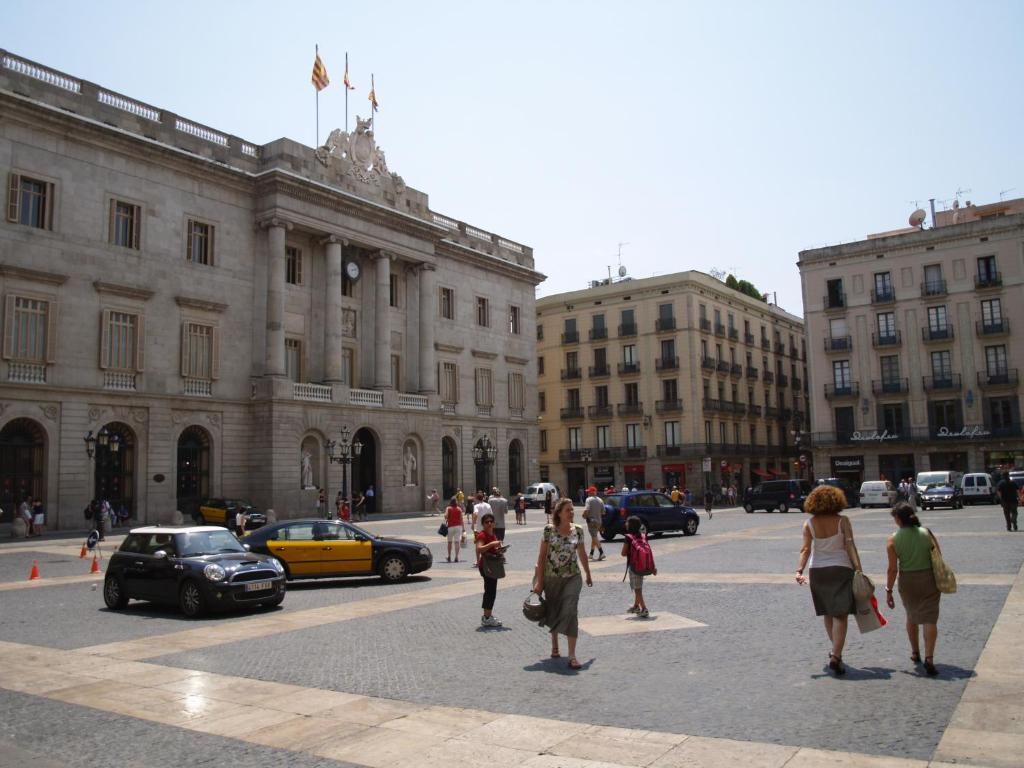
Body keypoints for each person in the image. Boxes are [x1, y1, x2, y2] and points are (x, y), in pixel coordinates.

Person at [795, 485, 858, 675]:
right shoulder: (843, 521)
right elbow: (850, 547)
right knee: (841, 614)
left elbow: (805, 549)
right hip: (841, 568)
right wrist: (859, 569)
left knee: (828, 612)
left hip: (818, 570)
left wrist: (799, 570)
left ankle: (835, 651)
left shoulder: (809, 523)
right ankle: (836, 655)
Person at [533, 498, 592, 669]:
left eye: (572, 510)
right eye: (568, 510)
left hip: (573, 577)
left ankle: (572, 655)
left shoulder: (579, 530)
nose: (572, 513)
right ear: (559, 513)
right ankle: (555, 645)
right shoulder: (549, 531)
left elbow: (582, 554)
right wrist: (539, 582)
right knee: (554, 610)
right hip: (552, 578)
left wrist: (588, 573)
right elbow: (541, 557)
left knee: (570, 611)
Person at [885, 502, 942, 676]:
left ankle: (915, 652)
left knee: (911, 615)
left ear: (898, 519)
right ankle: (929, 658)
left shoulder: (893, 539)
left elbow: (892, 569)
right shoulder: (927, 533)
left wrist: (889, 589)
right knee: (929, 618)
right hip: (928, 578)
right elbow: (938, 556)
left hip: (907, 580)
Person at [622, 515, 655, 617]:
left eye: (627, 522)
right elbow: (648, 551)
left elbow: (623, 553)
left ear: (630, 525)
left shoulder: (628, 537)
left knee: (637, 589)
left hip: (634, 566)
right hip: (644, 565)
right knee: (638, 586)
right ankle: (636, 606)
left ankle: (644, 608)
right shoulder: (643, 536)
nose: (625, 523)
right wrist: (653, 567)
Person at [476, 512, 505, 627]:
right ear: (483, 524)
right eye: (486, 522)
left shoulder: (493, 534)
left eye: (491, 521)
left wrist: (500, 550)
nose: (489, 523)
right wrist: (492, 543)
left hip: (492, 565)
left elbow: (493, 549)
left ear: (494, 523)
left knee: (491, 591)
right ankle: (487, 617)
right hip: (486, 566)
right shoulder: (482, 535)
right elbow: (479, 549)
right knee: (490, 591)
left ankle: (488, 615)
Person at [582, 486, 605, 560]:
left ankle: (601, 552)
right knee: (594, 537)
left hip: (591, 521)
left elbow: (587, 509)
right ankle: (591, 554)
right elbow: (603, 512)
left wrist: (584, 515)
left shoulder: (588, 499)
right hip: (599, 521)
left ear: (592, 492)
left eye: (589, 491)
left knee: (594, 537)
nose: (588, 493)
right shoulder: (600, 500)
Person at [445, 496, 464, 562]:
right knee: (457, 542)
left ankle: (449, 556)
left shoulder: (448, 508)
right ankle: (456, 557)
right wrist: (463, 528)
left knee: (449, 542)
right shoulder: (459, 509)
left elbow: (446, 516)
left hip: (450, 527)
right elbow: (461, 519)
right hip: (458, 526)